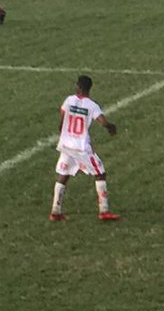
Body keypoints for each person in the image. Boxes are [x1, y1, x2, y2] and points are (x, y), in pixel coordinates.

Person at [51, 75, 120, 222]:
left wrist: (64, 134)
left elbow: (61, 122)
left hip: (66, 144)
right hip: (81, 147)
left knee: (64, 174)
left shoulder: (68, 101)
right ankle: (104, 211)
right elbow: (102, 121)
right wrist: (110, 127)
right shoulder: (91, 105)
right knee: (100, 173)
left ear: (79, 87)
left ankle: (55, 211)